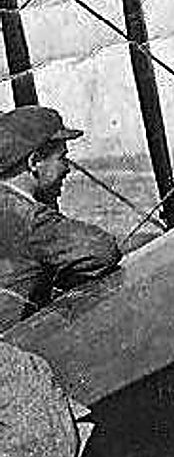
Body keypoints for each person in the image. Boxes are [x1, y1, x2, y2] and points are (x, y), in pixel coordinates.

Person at [0, 105, 121, 332]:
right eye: (62, 158)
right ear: (34, 162)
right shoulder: (30, 219)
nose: (67, 169)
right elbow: (102, 250)